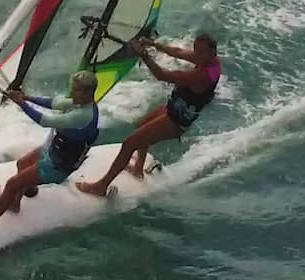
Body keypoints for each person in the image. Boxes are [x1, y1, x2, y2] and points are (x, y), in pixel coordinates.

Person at [77, 33, 220, 198]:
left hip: (176, 121)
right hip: (172, 109)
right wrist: (153, 44)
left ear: (212, 53)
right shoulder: (211, 63)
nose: (196, 55)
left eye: (201, 52)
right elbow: (178, 52)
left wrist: (144, 56)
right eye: (196, 50)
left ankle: (100, 187)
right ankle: (138, 169)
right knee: (141, 126)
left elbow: (162, 76)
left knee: (129, 144)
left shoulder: (201, 76)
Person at [0, 70, 99, 237]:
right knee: (21, 164)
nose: (72, 93)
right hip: (52, 150)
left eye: (76, 90)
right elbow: (54, 103)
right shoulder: (79, 103)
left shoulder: (83, 115)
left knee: (12, 184)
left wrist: (21, 104)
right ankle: (14, 203)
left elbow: (47, 121)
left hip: (58, 166)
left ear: (88, 92)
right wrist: (26, 97)